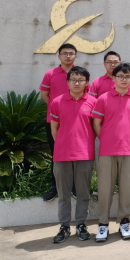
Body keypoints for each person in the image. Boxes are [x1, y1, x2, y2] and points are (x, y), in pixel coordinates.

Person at [92, 63, 130, 242]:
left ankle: (124, 222)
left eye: (127, 76)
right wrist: (106, 138)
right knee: (104, 189)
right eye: (120, 76)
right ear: (113, 78)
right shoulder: (103, 99)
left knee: (126, 189)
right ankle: (103, 224)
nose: (124, 79)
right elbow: (96, 123)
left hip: (129, 150)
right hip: (107, 151)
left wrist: (129, 136)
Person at [49, 67, 96, 244]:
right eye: (73, 79)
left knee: (83, 193)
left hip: (85, 154)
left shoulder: (93, 102)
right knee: (63, 194)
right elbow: (54, 129)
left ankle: (81, 224)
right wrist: (63, 144)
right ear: (68, 82)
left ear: (87, 83)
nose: (77, 83)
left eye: (81, 79)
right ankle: (64, 226)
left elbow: (95, 128)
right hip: (62, 155)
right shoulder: (57, 102)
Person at [88, 50, 130, 196]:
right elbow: (92, 104)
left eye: (116, 62)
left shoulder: (127, 82)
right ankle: (101, 186)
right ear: (104, 64)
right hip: (102, 129)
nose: (113, 64)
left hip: (122, 134)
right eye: (110, 62)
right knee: (102, 162)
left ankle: (120, 187)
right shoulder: (97, 82)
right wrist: (102, 134)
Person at [39, 43, 78, 202]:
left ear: (75, 56)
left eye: (71, 53)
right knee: (56, 154)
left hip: (75, 122)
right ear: (59, 56)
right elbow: (44, 95)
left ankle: (74, 186)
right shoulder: (50, 74)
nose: (68, 56)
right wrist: (57, 109)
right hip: (54, 121)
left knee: (75, 154)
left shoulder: (80, 74)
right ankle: (55, 186)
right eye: (65, 53)